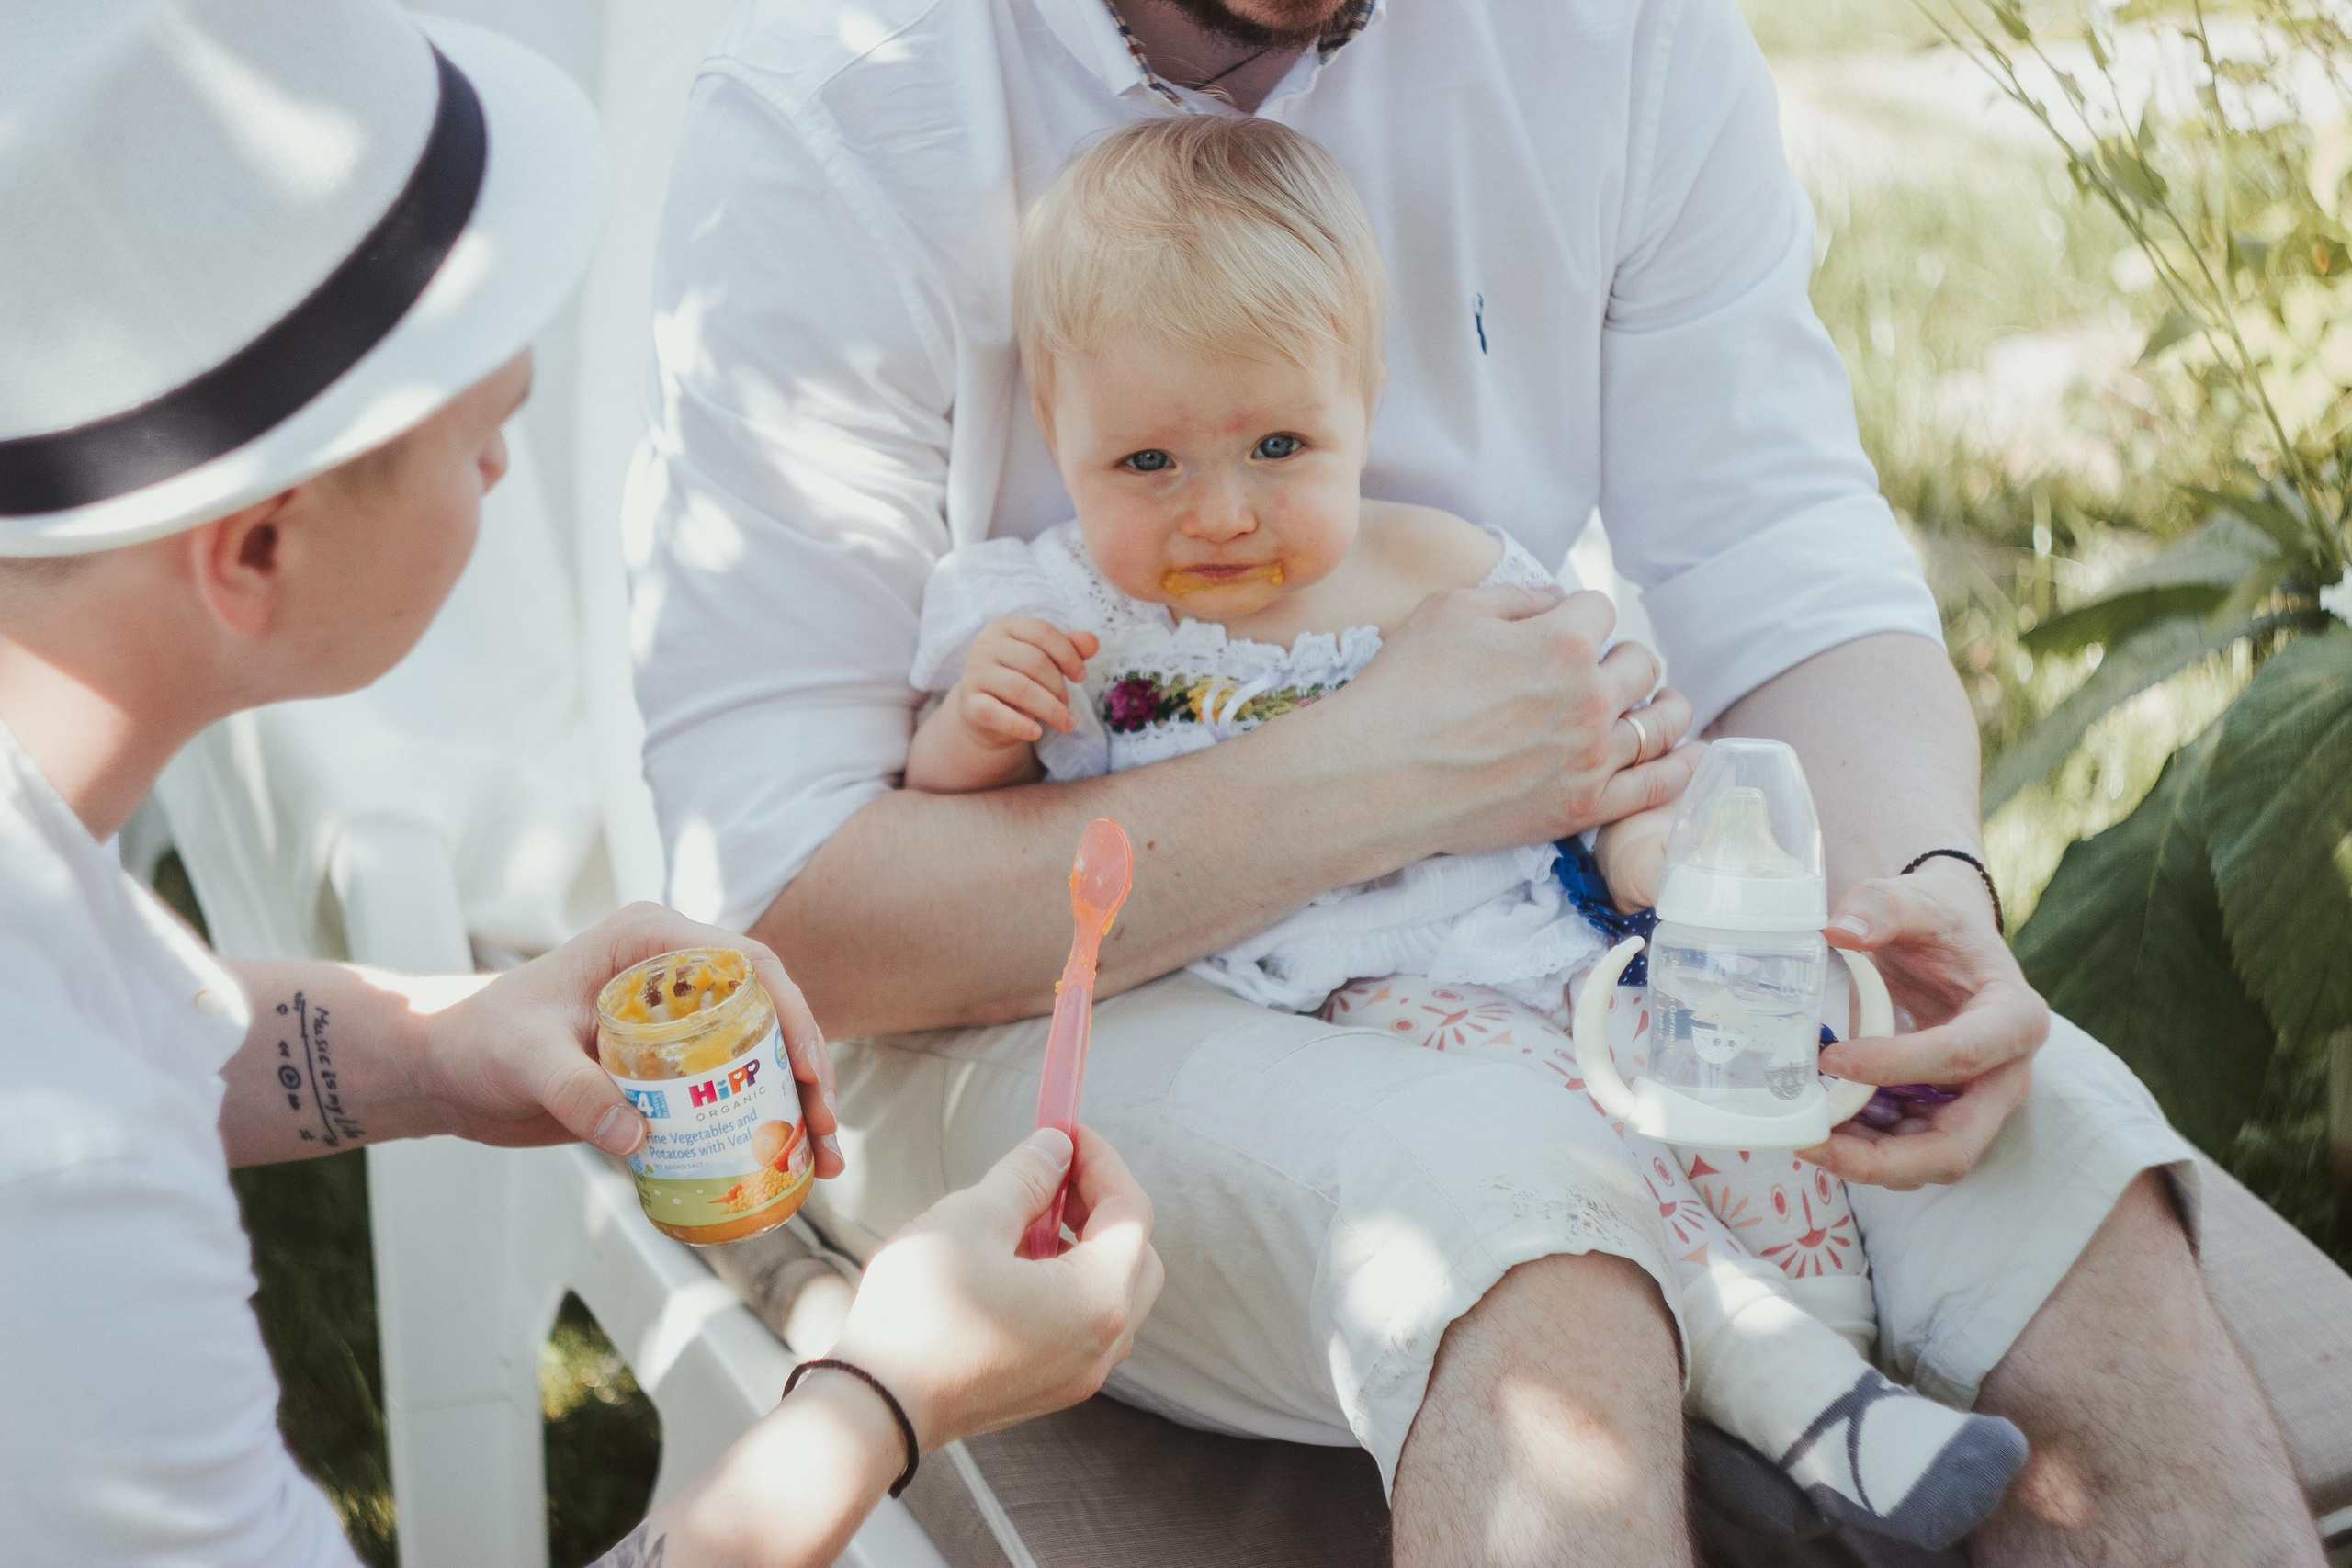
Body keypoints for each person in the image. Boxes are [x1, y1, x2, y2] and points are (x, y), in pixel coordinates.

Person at [627, 0, 2324, 1562]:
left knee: (2043, 1150)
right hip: (1031, 991)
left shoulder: (1616, 33)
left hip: (1505, 920)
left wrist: (1914, 902)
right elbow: (796, 911)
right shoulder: (840, 119)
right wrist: (1371, 774)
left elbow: (1771, 544)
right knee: (1512, 1224)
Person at [0, 5, 1160, 1566]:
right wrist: (878, 1397)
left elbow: (108, 999)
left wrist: (439, 1047)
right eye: (476, 436)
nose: (505, 463)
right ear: (255, 550)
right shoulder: (71, 1214)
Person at [902, 112, 2028, 1549]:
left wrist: (1652, 860)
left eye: (1276, 443)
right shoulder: (1054, 614)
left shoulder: (1441, 568)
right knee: (1556, 1166)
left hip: (1545, 947)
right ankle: (1808, 1408)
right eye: (1145, 464)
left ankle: (1807, 1397)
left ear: (1364, 401)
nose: (1225, 512)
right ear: (1052, 429)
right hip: (1351, 1003)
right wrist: (977, 733)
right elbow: (967, 846)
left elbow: (1610, 756)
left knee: (1756, 1138)